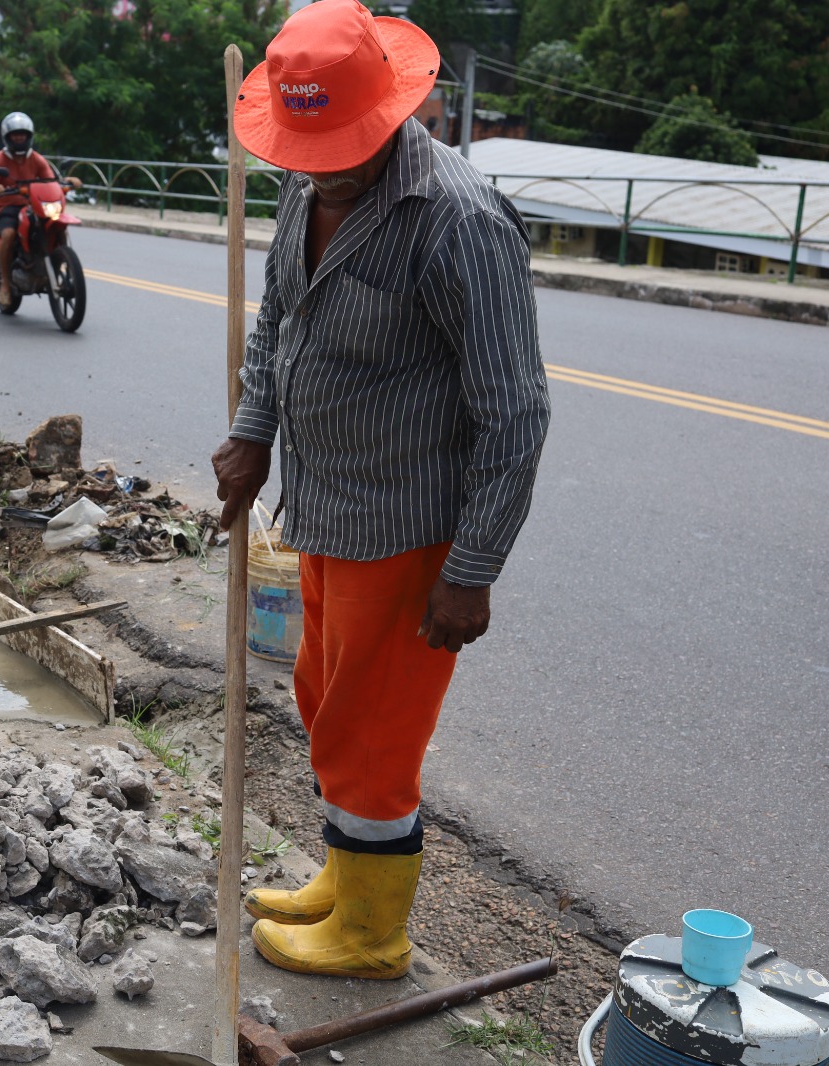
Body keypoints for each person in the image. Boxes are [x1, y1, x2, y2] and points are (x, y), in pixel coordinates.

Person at [212, 0, 550, 981]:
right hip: (324, 506)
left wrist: (471, 570)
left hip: (408, 531)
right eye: (306, 152)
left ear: (391, 111)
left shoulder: (458, 221)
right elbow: (278, 320)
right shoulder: (304, 183)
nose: (321, 169)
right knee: (326, 700)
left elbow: (515, 411)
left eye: (340, 150)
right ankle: (345, 875)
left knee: (373, 730)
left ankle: (371, 936)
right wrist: (252, 431)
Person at [0, 113, 79, 305]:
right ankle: (5, 284)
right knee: (8, 234)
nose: (19, 138)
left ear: (29, 136)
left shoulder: (36, 159)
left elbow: (50, 181)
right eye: (15, 135)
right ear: (7, 137)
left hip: (32, 204)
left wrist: (65, 183)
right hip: (8, 206)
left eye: (23, 135)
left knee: (57, 225)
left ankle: (61, 264)